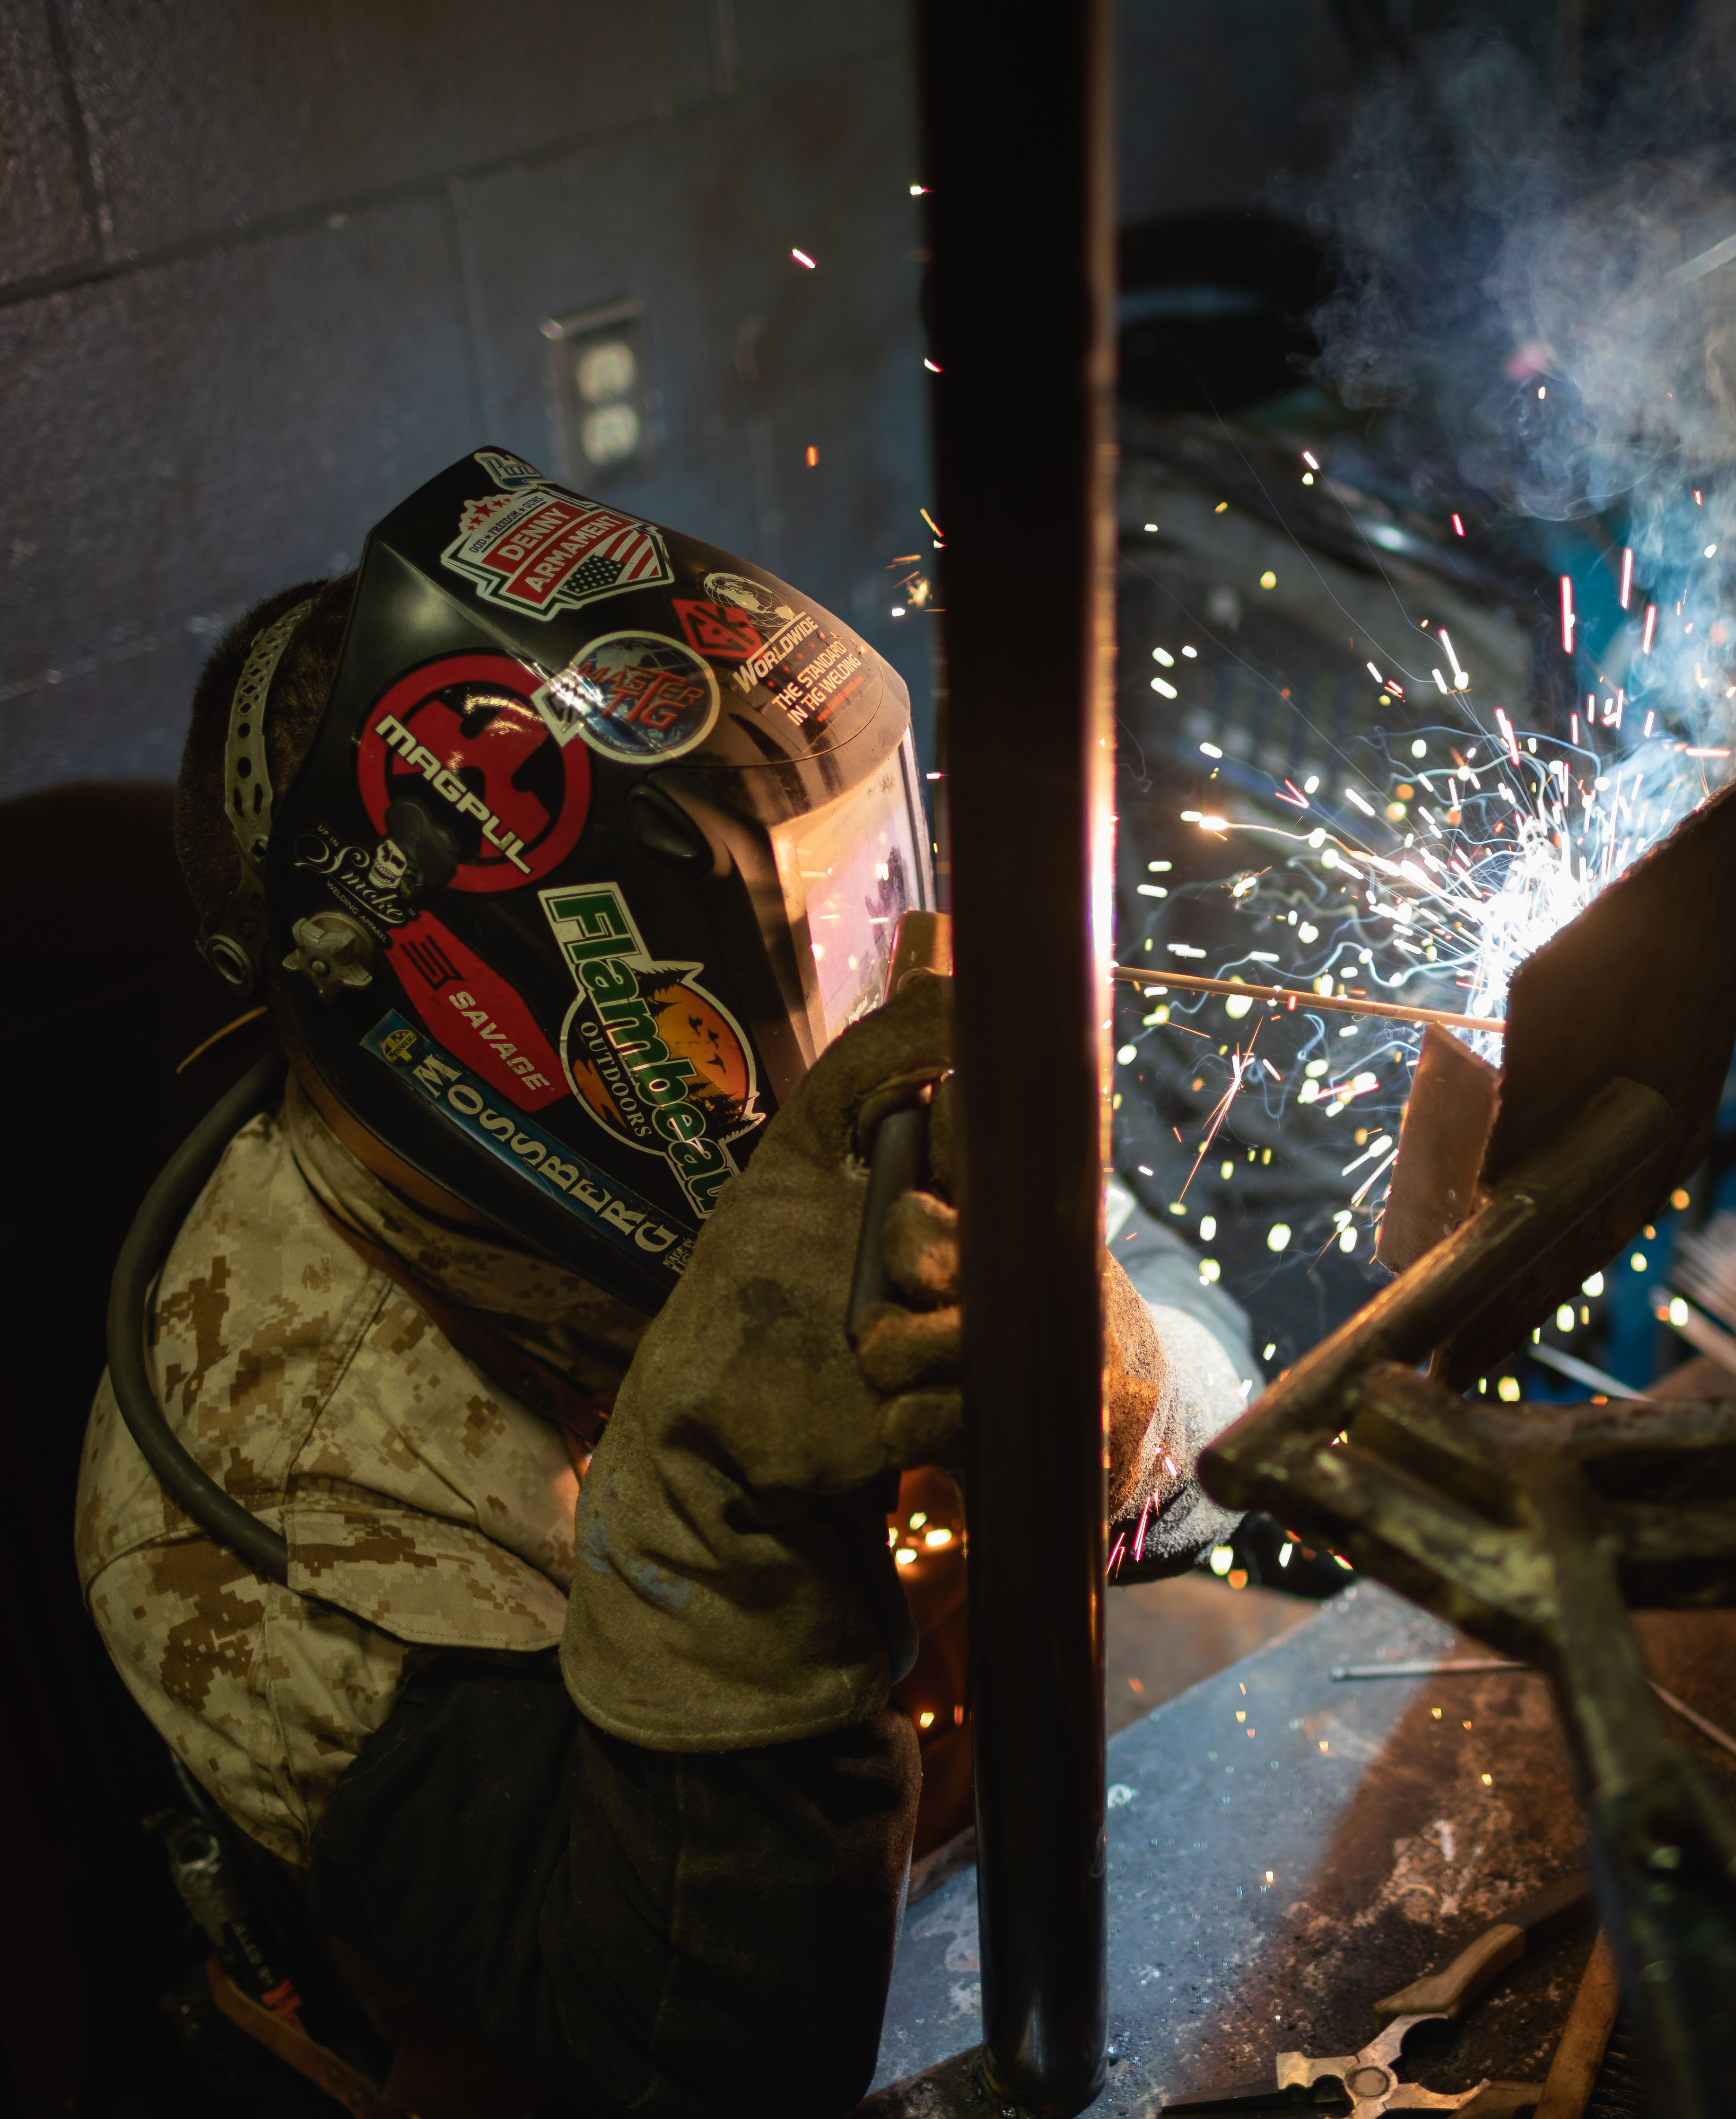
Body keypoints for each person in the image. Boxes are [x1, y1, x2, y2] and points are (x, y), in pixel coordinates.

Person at [75, 449, 1253, 2117]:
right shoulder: (263, 1504)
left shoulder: (813, 1031)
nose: (844, 1014)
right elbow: (693, 2062)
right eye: (772, 952)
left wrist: (1121, 1403)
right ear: (475, 1000)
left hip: (966, 1836)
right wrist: (723, 1526)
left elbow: (1207, 1365)